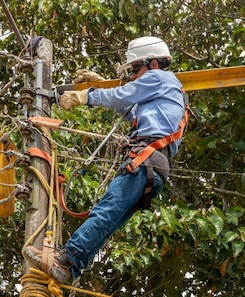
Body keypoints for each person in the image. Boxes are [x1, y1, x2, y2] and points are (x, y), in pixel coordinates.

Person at [24, 36, 187, 282]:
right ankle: (69, 266)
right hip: (156, 167)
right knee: (109, 220)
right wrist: (100, 88)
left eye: (135, 69)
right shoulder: (168, 91)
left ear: (153, 63)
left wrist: (85, 96)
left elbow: (123, 95)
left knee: (106, 211)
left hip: (145, 158)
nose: (133, 76)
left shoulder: (159, 77)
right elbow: (129, 109)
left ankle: (65, 257)